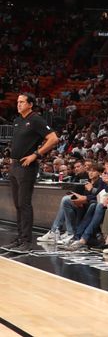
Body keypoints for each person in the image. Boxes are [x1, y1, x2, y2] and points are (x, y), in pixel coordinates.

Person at [1, 93, 58, 253]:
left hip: (27, 166)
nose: (18, 104)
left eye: (22, 102)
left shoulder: (36, 119)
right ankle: (20, 239)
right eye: (17, 102)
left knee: (24, 204)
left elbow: (53, 139)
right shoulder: (18, 121)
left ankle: (26, 242)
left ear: (30, 104)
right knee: (18, 205)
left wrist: (36, 154)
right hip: (14, 166)